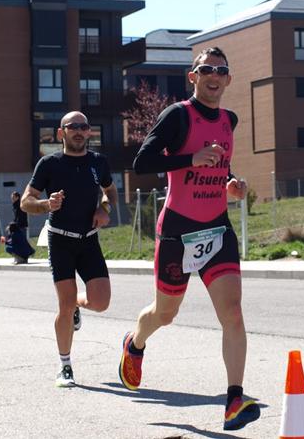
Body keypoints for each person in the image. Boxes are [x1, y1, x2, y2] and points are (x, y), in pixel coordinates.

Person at [120, 47, 259, 432]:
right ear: (192, 77)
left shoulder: (229, 119)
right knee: (165, 314)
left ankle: (234, 399)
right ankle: (135, 342)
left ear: (229, 79)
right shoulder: (178, 115)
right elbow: (142, 162)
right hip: (178, 231)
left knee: (232, 312)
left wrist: (232, 184)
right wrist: (189, 159)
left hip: (217, 229)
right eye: (206, 69)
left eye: (221, 70)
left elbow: (220, 165)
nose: (214, 75)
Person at [20, 111, 117, 388]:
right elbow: (27, 201)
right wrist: (46, 205)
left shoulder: (99, 162)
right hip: (60, 239)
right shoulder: (49, 164)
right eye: (72, 127)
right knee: (64, 303)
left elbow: (110, 191)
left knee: (101, 302)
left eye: (83, 127)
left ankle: (77, 304)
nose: (79, 131)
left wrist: (105, 207)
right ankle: (65, 366)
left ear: (89, 133)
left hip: (88, 239)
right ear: (61, 133)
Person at [3, 192, 35, 264]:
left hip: (21, 226)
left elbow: (20, 218)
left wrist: (13, 226)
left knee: (19, 243)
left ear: (17, 197)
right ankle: (21, 257)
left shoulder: (19, 206)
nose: (12, 199)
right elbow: (16, 218)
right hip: (18, 226)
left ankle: (22, 258)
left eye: (13, 197)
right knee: (20, 243)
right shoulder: (16, 205)